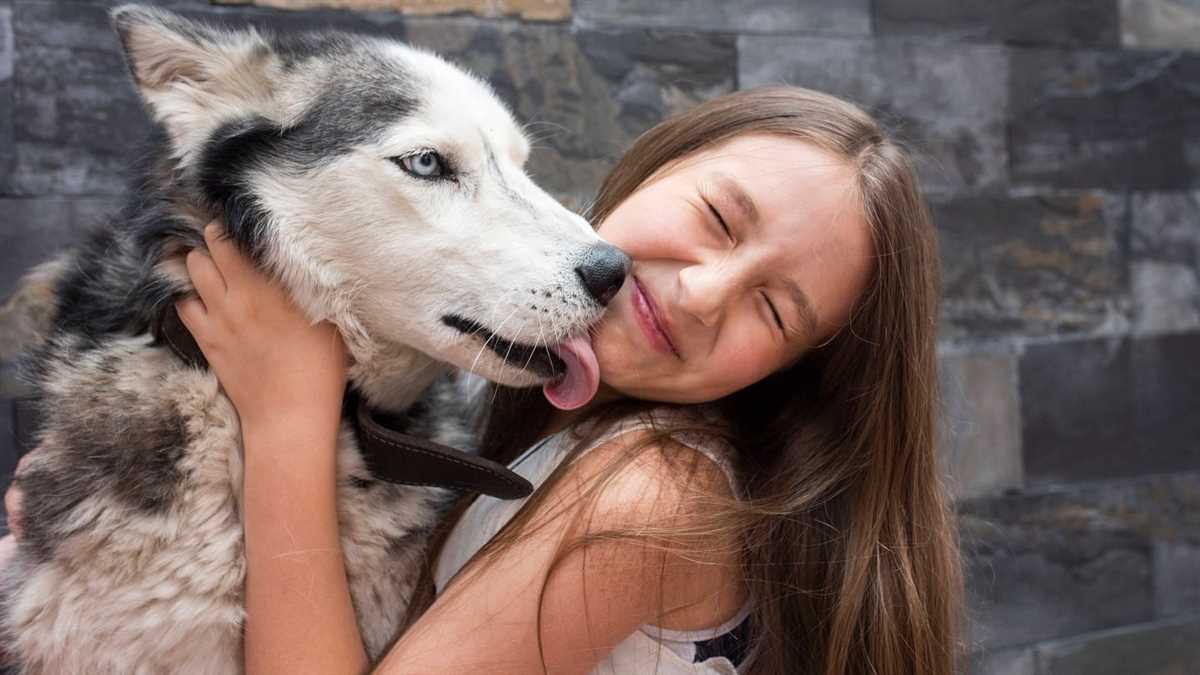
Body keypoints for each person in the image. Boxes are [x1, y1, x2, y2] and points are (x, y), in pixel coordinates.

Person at [4, 86, 962, 675]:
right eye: (717, 216)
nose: (708, 292)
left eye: (776, 312)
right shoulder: (583, 413)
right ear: (658, 165)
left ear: (790, 375)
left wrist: (288, 416)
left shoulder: (655, 492)